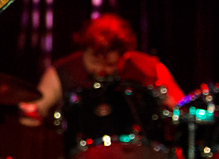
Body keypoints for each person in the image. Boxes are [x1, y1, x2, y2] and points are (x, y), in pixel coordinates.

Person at [21, 13, 183, 122]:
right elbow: (34, 111)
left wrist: (170, 106)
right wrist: (30, 111)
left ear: (125, 55)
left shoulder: (149, 68)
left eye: (110, 65)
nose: (101, 70)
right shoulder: (62, 72)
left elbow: (181, 109)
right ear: (85, 49)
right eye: (94, 62)